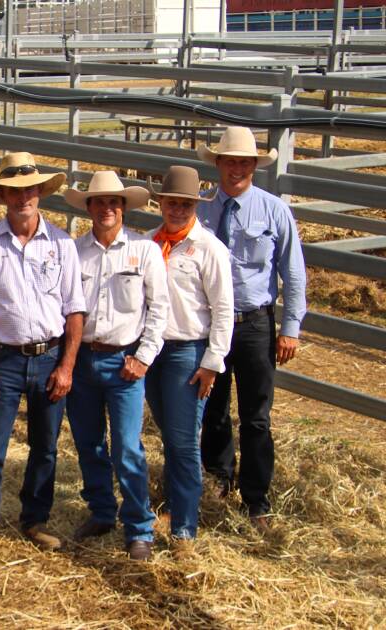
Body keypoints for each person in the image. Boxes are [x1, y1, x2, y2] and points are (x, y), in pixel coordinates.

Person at [0, 152, 86, 569]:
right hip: (4, 360)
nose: (23, 198)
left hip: (49, 356)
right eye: (14, 191)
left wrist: (67, 365)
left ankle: (35, 519)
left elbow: (74, 310)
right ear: (3, 196)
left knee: (45, 446)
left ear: (40, 192)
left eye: (29, 189)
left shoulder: (62, 244)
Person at [195, 127, 307, 531]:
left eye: (245, 162)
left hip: (255, 322)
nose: (237, 169)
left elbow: (293, 271)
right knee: (214, 408)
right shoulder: (201, 209)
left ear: (255, 167)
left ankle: (256, 498)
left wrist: (290, 327)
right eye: (230, 161)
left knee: (257, 416)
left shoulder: (274, 210)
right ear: (219, 164)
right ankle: (218, 482)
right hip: (211, 324)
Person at [63, 171, 169, 562]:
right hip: (82, 359)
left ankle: (139, 527)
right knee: (88, 443)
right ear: (89, 208)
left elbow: (160, 308)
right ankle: (102, 511)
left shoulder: (145, 251)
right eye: (99, 202)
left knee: (126, 447)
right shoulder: (74, 252)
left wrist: (144, 357)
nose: (106, 208)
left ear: (123, 208)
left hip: (124, 361)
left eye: (113, 202)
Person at [143, 165, 234, 559]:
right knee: (171, 433)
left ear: (196, 206)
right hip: (153, 350)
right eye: (171, 203)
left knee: (182, 441)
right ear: (160, 203)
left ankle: (184, 530)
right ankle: (175, 509)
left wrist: (213, 361)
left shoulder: (209, 248)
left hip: (187, 351)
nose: (177, 210)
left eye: (185, 204)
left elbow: (223, 309)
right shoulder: (149, 244)